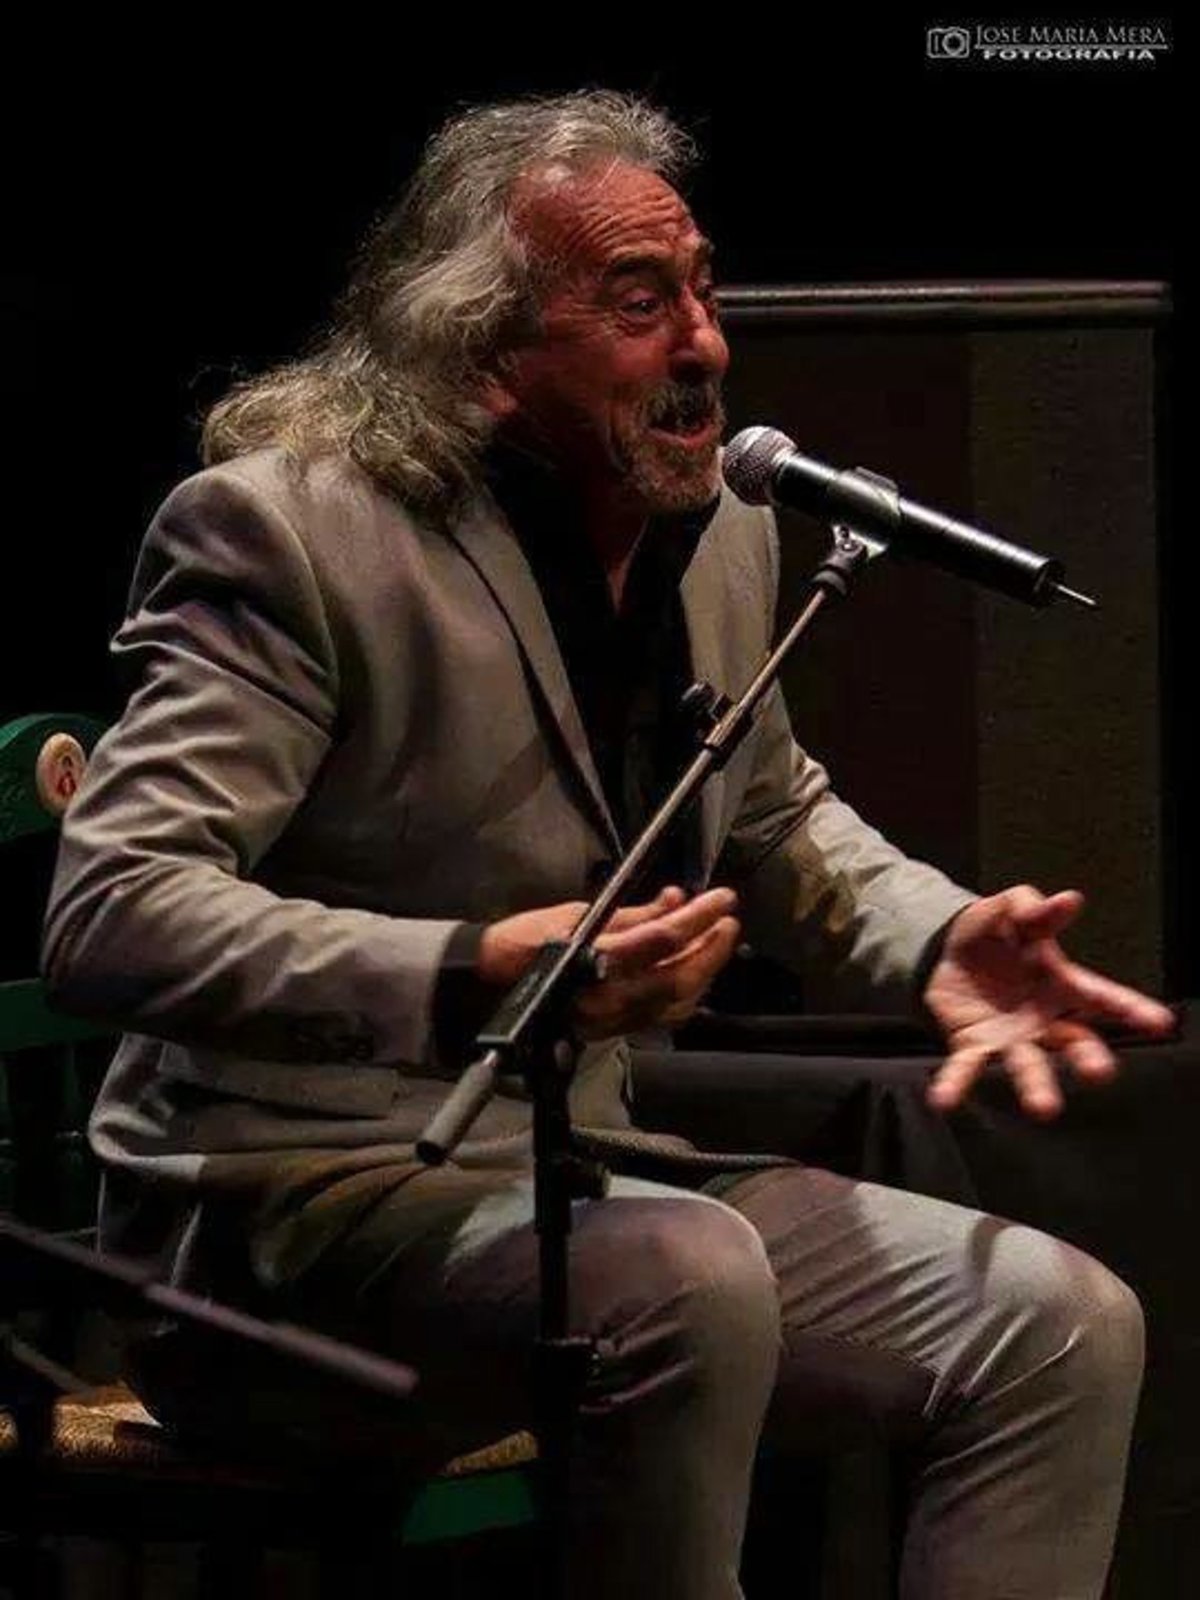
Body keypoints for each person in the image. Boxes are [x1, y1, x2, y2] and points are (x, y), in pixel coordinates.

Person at [42, 90, 1174, 1600]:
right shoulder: (289, 534)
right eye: (639, 303)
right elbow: (113, 910)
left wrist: (936, 938)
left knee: (1058, 1324)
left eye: (702, 289)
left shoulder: (722, 527)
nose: (704, 342)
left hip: (584, 1179)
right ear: (480, 350)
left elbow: (771, 808)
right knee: (680, 1280)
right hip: (278, 1230)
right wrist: (468, 970)